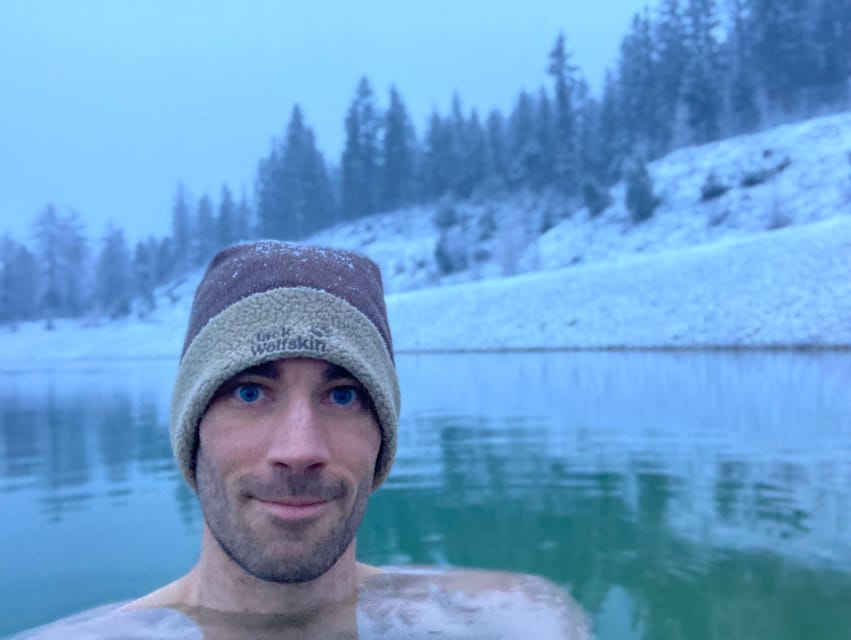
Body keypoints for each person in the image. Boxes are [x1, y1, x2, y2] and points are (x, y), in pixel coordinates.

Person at [12, 241, 589, 639]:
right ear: (192, 433)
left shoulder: (513, 622)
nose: (299, 447)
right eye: (249, 391)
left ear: (382, 440)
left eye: (342, 395)